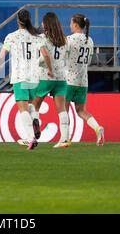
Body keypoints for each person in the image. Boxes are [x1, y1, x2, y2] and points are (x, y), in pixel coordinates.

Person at [0, 9, 53, 150]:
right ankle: (35, 120)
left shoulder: (11, 37)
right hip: (34, 77)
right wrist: (50, 69)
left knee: (22, 109)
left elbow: (1, 55)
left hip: (20, 77)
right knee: (32, 106)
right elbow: (45, 54)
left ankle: (29, 138)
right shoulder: (36, 37)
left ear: (18, 20)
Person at [30, 12, 71, 148]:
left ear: (46, 24)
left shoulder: (41, 38)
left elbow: (46, 55)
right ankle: (64, 139)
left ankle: (36, 127)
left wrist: (45, 66)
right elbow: (65, 58)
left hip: (46, 77)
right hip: (61, 78)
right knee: (61, 109)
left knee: (34, 105)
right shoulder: (65, 39)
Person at [64, 13, 104, 146]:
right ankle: (97, 128)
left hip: (69, 80)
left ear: (75, 25)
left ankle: (66, 138)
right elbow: (89, 59)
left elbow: (63, 57)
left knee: (64, 110)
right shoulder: (90, 40)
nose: (69, 25)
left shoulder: (69, 39)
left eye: (71, 23)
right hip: (83, 81)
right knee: (81, 110)